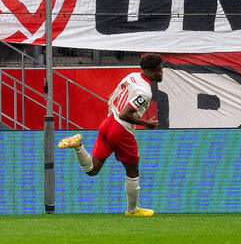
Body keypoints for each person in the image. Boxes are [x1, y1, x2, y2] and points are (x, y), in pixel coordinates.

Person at [58, 54, 165, 217]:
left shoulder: (132, 76)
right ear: (152, 71)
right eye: (160, 69)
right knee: (132, 170)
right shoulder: (145, 92)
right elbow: (124, 114)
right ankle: (132, 211)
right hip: (121, 129)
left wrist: (111, 115)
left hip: (107, 123)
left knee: (92, 170)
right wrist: (146, 123)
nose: (162, 72)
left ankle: (78, 146)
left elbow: (111, 98)